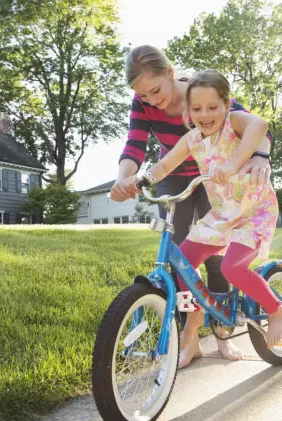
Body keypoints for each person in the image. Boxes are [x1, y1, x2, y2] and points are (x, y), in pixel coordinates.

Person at [111, 45, 273, 362]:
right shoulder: (143, 102)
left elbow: (251, 124)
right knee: (180, 260)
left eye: (156, 90)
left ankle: (222, 334)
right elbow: (135, 143)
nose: (152, 100)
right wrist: (124, 179)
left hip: (214, 176)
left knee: (216, 254)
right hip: (173, 174)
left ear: (170, 74)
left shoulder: (200, 96)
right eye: (145, 96)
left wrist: (259, 156)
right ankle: (191, 339)